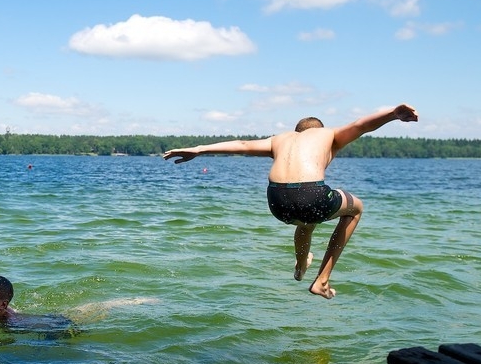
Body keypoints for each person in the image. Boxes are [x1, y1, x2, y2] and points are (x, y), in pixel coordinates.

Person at [163, 104, 418, 299]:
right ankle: (323, 280)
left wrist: (199, 149)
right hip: (311, 194)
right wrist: (393, 114)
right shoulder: (328, 134)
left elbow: (241, 144)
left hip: (276, 201)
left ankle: (300, 266)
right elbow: (362, 125)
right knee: (356, 209)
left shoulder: (279, 139)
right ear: (317, 130)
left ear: (298, 132)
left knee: (306, 222)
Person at [0, 275, 158, 326]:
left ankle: (134, 301)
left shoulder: (11, 322)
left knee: (98, 309)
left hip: (57, 321)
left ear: (3, 305)